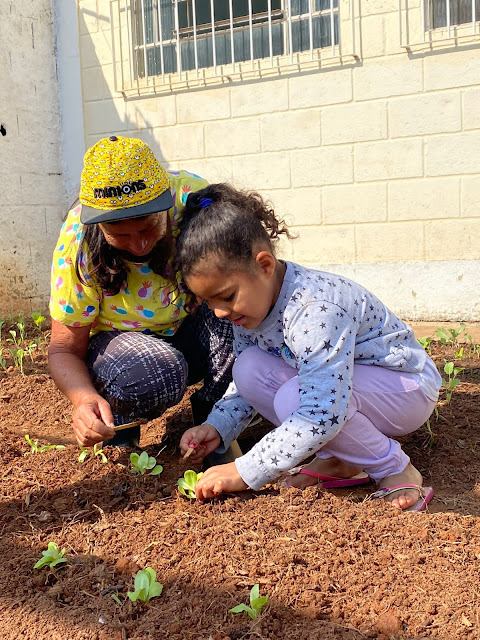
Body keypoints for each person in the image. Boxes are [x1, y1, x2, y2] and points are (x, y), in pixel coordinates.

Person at [177, 184, 442, 511]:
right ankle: (341, 461)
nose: (219, 312)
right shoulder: (251, 310)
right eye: (210, 302)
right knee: (247, 369)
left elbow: (321, 410)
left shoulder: (314, 309)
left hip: (407, 388)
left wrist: (245, 471)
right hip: (354, 387)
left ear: (264, 265)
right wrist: (219, 425)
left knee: (297, 398)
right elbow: (248, 384)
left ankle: (395, 468)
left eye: (227, 296)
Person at [48, 136, 234, 449]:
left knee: (236, 316)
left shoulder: (195, 202)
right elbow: (64, 348)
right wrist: (84, 399)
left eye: (148, 228)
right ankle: (119, 422)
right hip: (123, 351)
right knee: (155, 372)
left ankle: (216, 418)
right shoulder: (77, 244)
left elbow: (242, 279)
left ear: (165, 204)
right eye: (120, 236)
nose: (139, 245)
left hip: (191, 329)